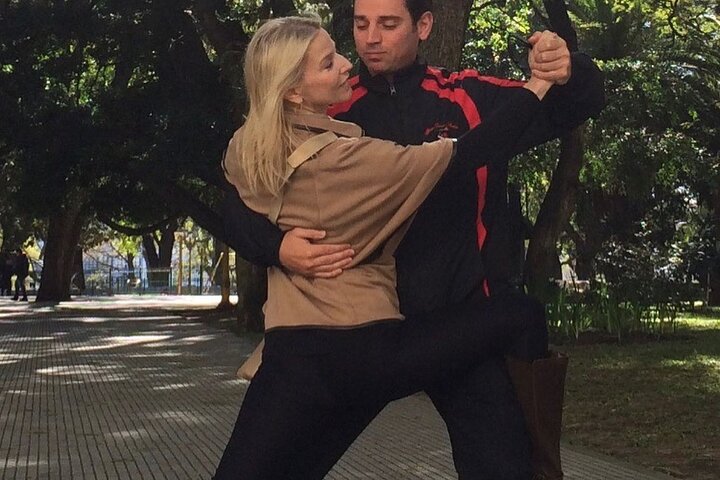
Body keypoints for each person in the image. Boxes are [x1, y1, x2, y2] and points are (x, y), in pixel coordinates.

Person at [222, 1, 604, 479]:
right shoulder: (323, 110)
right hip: (364, 334)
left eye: (388, 24)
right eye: (360, 24)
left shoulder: (466, 96)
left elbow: (575, 103)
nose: (370, 39)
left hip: (459, 322)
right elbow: (239, 200)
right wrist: (277, 248)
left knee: (504, 465)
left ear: (423, 26)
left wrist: (565, 66)